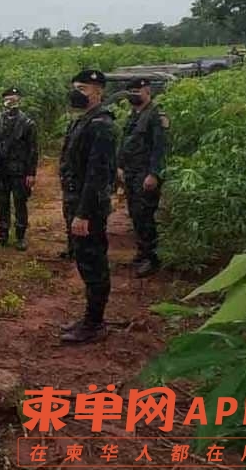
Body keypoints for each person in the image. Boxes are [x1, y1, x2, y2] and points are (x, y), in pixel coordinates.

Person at [58, 69, 116, 345]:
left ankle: (95, 324)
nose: (76, 93)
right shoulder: (83, 121)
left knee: (93, 264)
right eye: (75, 88)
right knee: (84, 261)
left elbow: (97, 174)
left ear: (98, 91)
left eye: (82, 88)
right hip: (77, 201)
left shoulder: (101, 125)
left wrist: (83, 214)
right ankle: (91, 318)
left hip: (88, 207)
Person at [117, 79, 168, 278]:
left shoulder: (155, 116)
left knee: (145, 215)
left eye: (137, 91)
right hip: (131, 172)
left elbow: (159, 147)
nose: (133, 94)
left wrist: (154, 173)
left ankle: (151, 259)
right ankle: (142, 252)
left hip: (145, 173)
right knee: (135, 214)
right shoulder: (134, 115)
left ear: (147, 92)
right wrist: (120, 166)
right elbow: (125, 143)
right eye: (130, 91)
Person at [0, 88, 38, 250]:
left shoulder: (27, 123)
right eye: (8, 99)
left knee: (20, 202)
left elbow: (33, 150)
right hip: (0, 169)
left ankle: (20, 237)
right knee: (1, 202)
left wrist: (31, 173)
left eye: (14, 99)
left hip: (19, 170)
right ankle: (2, 236)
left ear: (19, 101)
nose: (10, 102)